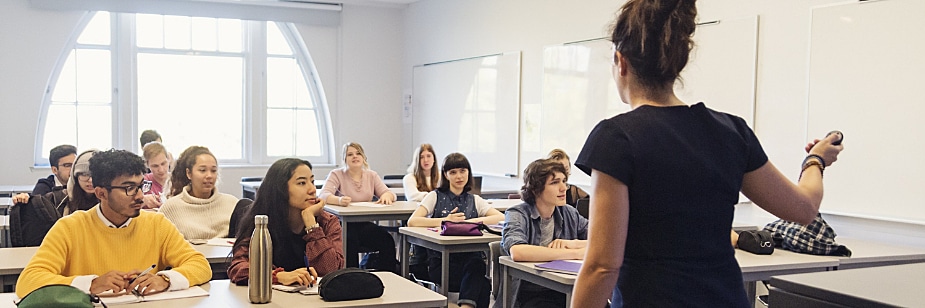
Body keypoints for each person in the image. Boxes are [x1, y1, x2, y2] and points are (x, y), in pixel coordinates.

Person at [570, 1, 844, 307]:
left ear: (621, 63)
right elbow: (804, 208)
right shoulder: (732, 132)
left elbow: (602, 266)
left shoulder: (616, 138)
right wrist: (815, 161)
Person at [15, 149, 211, 298]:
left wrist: (165, 280)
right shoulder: (70, 227)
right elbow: (28, 281)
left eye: (141, 186)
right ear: (101, 193)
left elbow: (200, 265)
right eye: (128, 188)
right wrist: (91, 284)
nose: (140, 196)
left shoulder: (157, 224)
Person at [407, 152, 504, 308]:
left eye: (462, 171)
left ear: (468, 173)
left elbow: (500, 217)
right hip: (441, 264)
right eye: (453, 172)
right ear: (445, 175)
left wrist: (469, 222)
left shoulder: (474, 200)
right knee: (481, 281)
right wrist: (446, 221)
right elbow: (413, 221)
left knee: (479, 271)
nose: (459, 176)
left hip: (469, 263)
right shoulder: (434, 196)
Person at [228, 158, 345, 286]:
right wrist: (277, 276)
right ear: (281, 189)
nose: (312, 189)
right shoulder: (261, 221)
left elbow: (331, 271)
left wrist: (311, 225)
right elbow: (238, 267)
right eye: (301, 183)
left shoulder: (327, 222)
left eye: (312, 181)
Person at [502, 158, 589, 308]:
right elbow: (517, 251)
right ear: (536, 189)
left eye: (564, 181)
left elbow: (605, 241)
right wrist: (574, 253)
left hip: (565, 290)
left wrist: (574, 244)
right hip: (529, 293)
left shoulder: (569, 212)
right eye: (555, 183)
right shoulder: (517, 213)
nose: (564, 188)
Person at [319, 142, 399, 272]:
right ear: (345, 159)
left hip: (363, 223)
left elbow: (389, 193)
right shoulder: (337, 174)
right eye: (350, 154)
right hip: (342, 225)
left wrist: (386, 196)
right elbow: (323, 195)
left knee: (387, 240)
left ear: (363, 157)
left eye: (358, 154)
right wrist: (338, 200)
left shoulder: (371, 175)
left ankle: (388, 277)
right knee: (350, 242)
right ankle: (354, 278)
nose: (355, 157)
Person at [10, 150, 100, 247]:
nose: (90, 180)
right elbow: (39, 206)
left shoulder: (109, 200)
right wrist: (27, 199)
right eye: (84, 174)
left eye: (73, 165)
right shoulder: (57, 195)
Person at [160, 146, 238, 240]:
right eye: (202, 170)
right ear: (189, 173)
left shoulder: (232, 203)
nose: (209, 176)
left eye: (213, 171)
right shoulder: (171, 208)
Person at [402, 144, 441, 281]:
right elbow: (413, 196)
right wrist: (433, 197)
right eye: (421, 157)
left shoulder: (441, 176)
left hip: (437, 220)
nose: (425, 160)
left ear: (434, 159)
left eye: (428, 156)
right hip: (418, 220)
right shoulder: (410, 177)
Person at [141, 142, 171, 209]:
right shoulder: (142, 182)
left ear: (168, 159)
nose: (161, 170)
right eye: (155, 166)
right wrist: (142, 200)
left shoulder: (178, 181)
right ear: (147, 165)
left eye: (163, 163)